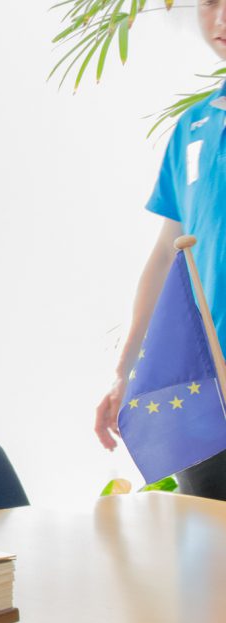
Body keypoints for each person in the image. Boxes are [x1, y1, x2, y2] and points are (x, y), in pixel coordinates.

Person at [95, 0, 226, 500]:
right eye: (211, 1)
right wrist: (125, 370)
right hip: (204, 391)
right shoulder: (193, 127)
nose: (221, 19)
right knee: (209, 557)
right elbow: (166, 257)